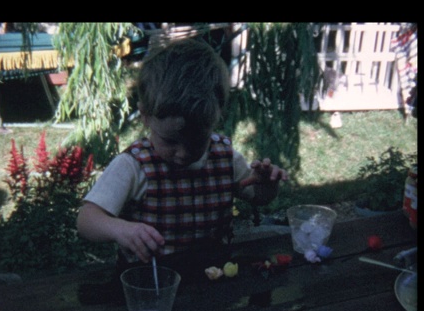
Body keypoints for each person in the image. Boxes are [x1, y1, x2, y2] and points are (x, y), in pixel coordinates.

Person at [76, 38, 288, 281]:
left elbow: (258, 198)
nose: (183, 153)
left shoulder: (225, 158)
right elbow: (86, 219)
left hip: (213, 278)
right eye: (170, 141)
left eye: (197, 140)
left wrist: (267, 185)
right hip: (151, 284)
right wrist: (119, 229)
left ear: (216, 117)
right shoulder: (134, 165)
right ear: (145, 116)